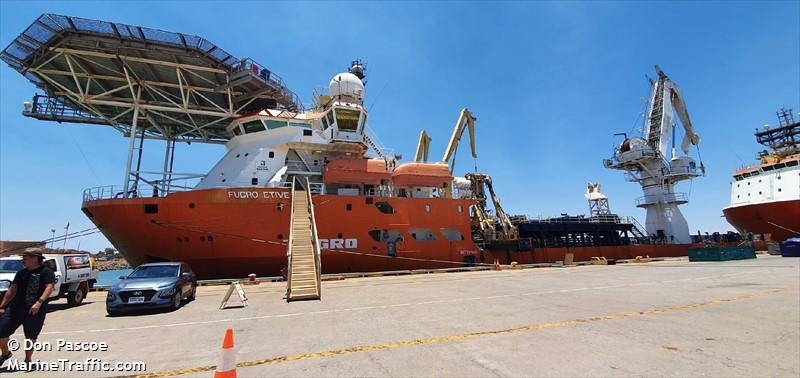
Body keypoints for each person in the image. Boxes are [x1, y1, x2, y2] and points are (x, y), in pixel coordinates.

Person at [0, 248, 55, 369]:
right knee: (1, 331)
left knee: (30, 336)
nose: (23, 260)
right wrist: (2, 306)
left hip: (34, 310)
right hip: (15, 308)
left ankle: (27, 360)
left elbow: (49, 288)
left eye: (26, 258)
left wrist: (39, 303)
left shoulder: (46, 272)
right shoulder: (21, 273)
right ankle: (5, 354)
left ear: (35, 258)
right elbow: (11, 290)